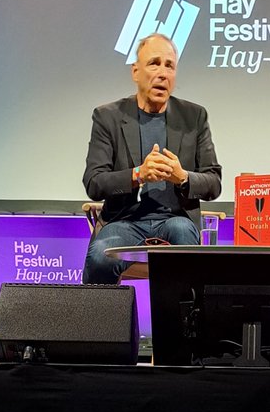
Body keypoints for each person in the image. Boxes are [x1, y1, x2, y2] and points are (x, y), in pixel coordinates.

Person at [81, 33, 222, 284]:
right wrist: (138, 175)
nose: (163, 73)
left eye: (169, 66)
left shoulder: (194, 117)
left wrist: (182, 177)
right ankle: (111, 323)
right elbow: (94, 183)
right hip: (123, 221)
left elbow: (213, 182)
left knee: (186, 248)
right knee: (101, 257)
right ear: (136, 72)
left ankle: (184, 324)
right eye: (154, 63)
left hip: (176, 220)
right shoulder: (108, 117)